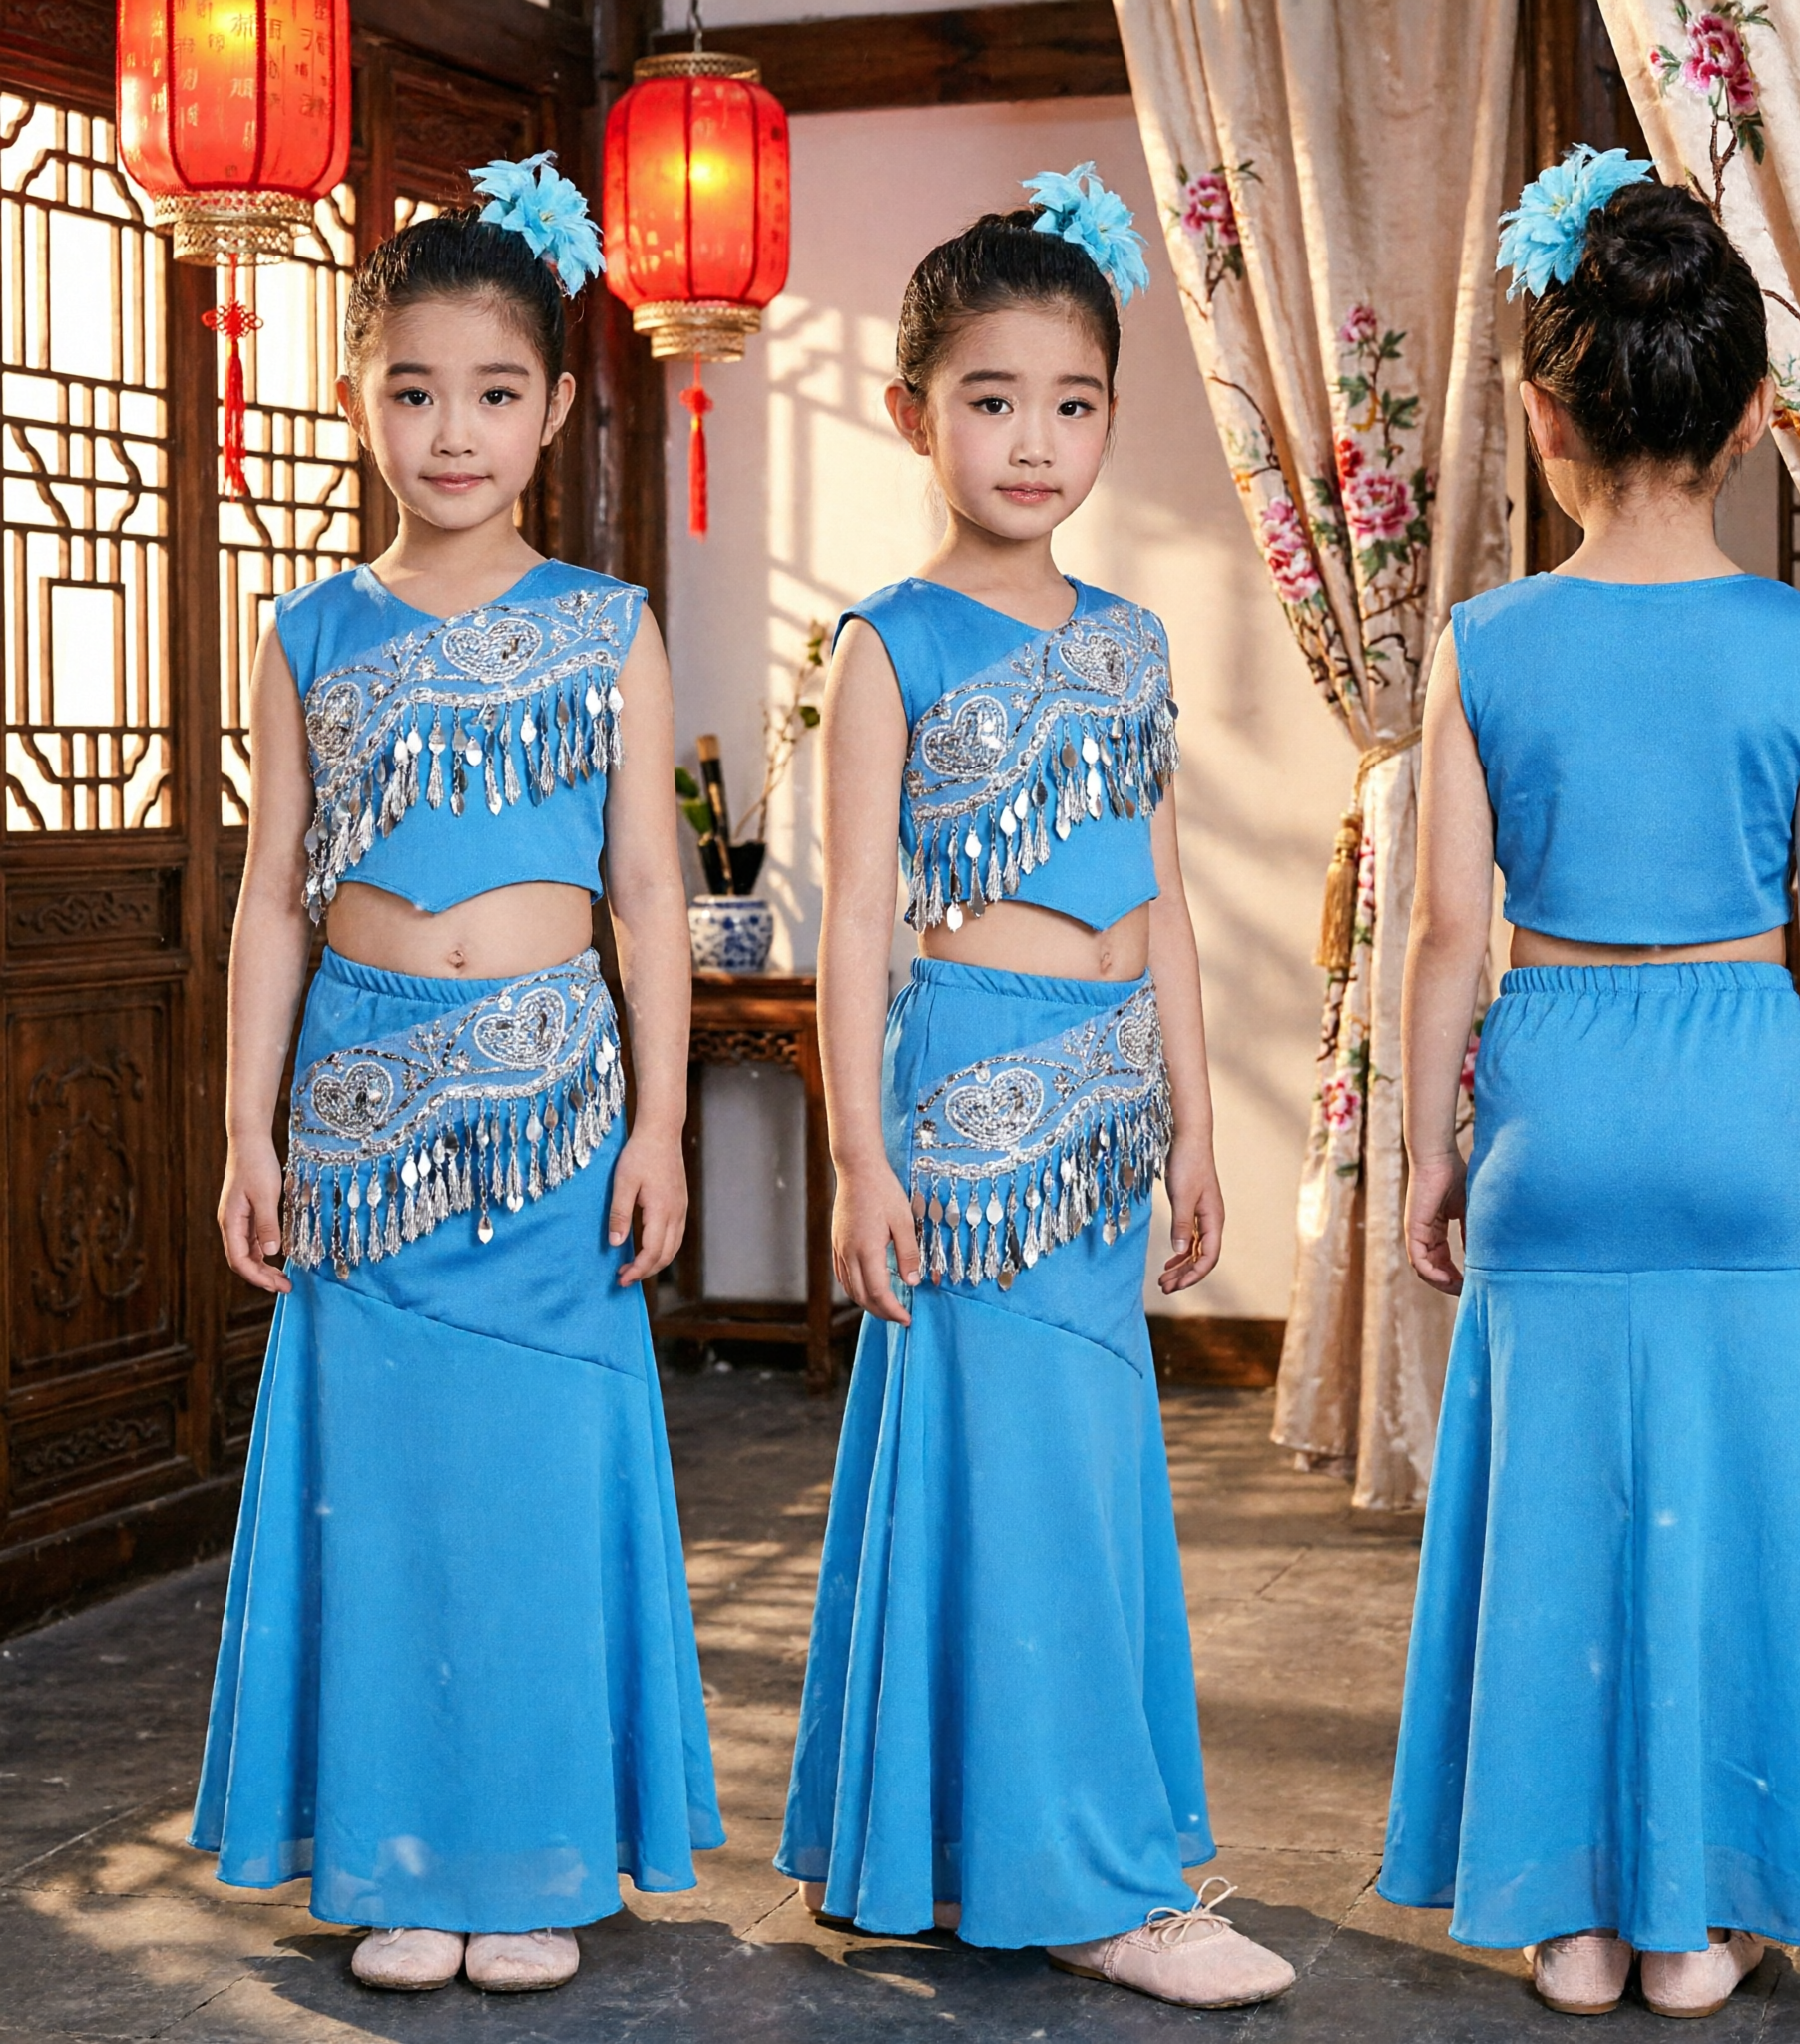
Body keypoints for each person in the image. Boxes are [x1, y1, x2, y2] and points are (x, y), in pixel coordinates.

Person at [1379, 148, 1800, 2021]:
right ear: (1754, 418)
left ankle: (1576, 1921)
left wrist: (1430, 1154)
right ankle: (1703, 1921)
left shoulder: (1485, 643)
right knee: (1739, 1495)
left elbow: (1445, 937)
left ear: (1545, 416)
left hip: (1557, 1087)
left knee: (1560, 1498)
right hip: (1741, 1089)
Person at [191, 156, 721, 1996]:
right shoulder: (309, 633)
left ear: (556, 409)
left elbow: (646, 895)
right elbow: (274, 893)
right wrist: (246, 1129)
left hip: (557, 1124)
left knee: (534, 1493)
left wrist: (662, 1124)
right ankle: (402, 1861)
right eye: (412, 391)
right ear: (358, 398)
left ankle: (534, 1859)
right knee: (391, 1496)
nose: (452, 431)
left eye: (494, 393)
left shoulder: (610, 623)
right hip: (357, 1119)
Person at [773, 167, 1293, 2011]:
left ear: (1109, 419)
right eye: (991, 400)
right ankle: (1087, 1884)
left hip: (1111, 1108)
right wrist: (858, 1158)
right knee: (1013, 1482)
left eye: (1073, 404)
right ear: (912, 412)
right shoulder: (888, 642)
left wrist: (1202, 1127)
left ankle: (973, 1850)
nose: (1033, 441)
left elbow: (1164, 907)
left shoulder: (1131, 640)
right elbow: (854, 923)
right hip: (964, 1102)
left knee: (1075, 1483)